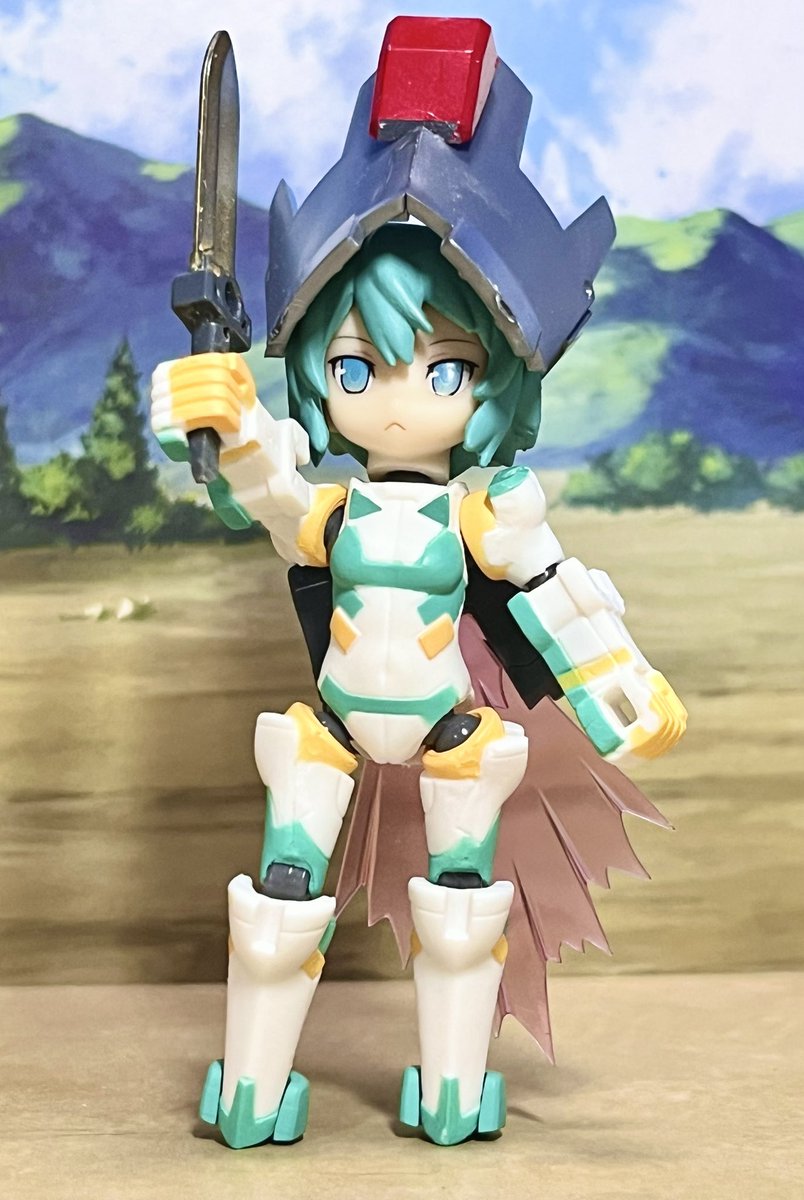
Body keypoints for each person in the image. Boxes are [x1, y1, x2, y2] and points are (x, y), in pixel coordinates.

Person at [151, 17, 686, 1148]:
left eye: (444, 371)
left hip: (449, 728)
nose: (397, 402)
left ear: (495, 384)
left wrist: (621, 691)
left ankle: (451, 1093)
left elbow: (549, 592)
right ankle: (252, 1094)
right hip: (335, 727)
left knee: (460, 914)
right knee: (278, 906)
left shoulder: (485, 512)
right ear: (317, 372)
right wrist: (228, 418)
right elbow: (276, 497)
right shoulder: (335, 510)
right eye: (356, 368)